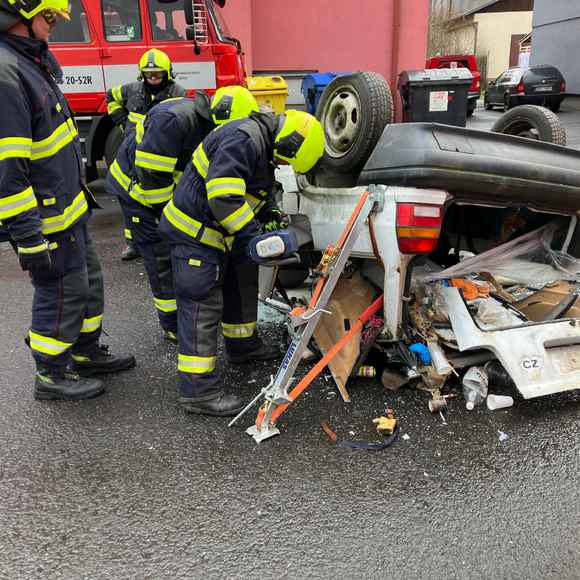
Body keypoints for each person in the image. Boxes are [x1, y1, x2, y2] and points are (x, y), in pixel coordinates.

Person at [0, 0, 135, 401]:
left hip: (66, 206)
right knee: (62, 290)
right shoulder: (7, 72)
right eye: (49, 17)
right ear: (20, 17)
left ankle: (85, 351)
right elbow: (8, 169)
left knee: (87, 281)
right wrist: (28, 235)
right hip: (44, 216)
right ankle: (51, 374)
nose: (55, 24)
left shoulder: (30, 59)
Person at [159, 109, 324, 416]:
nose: (282, 165)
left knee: (242, 281)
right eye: (285, 161)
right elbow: (224, 198)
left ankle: (242, 346)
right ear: (288, 144)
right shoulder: (242, 139)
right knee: (201, 303)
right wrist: (254, 237)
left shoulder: (261, 144)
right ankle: (198, 391)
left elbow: (254, 191)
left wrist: (270, 214)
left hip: (221, 233)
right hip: (194, 235)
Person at [107, 85, 260, 343]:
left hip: (160, 187)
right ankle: (172, 324)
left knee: (176, 250)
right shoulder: (173, 121)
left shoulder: (211, 126)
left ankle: (187, 316)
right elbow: (151, 176)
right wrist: (168, 215)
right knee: (160, 256)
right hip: (138, 192)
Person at [106, 48, 185, 261]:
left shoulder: (178, 93)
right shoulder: (132, 89)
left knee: (160, 198)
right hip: (133, 154)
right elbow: (111, 96)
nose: (153, 78)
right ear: (142, 74)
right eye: (149, 74)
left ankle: (165, 241)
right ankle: (134, 243)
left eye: (158, 74)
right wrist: (122, 122)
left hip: (159, 155)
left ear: (168, 73)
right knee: (131, 200)